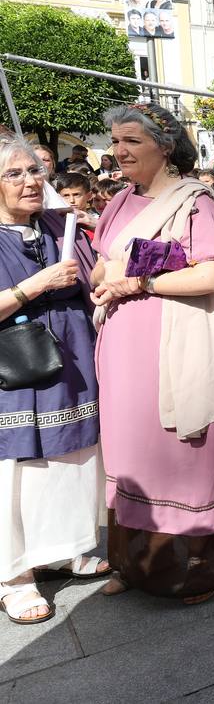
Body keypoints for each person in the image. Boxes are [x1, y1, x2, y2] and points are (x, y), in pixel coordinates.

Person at [92, 103, 214, 603]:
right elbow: (99, 267)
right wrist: (107, 278)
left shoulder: (196, 202)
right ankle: (132, 564)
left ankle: (192, 570)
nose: (119, 151)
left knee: (180, 452)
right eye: (116, 142)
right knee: (132, 449)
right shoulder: (119, 202)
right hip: (122, 345)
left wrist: (137, 280)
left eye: (132, 141)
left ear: (165, 145)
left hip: (176, 343)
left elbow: (209, 275)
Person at [0, 136, 106, 625]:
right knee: (17, 473)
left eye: (34, 171)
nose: (31, 181)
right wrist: (35, 285)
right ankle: (14, 575)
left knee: (72, 457)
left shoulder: (54, 225)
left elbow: (92, 280)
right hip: (16, 373)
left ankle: (66, 546)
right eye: (15, 174)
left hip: (71, 359)